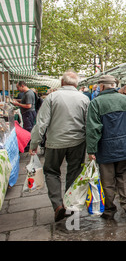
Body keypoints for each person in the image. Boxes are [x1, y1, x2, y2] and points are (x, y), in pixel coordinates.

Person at [29, 71, 90, 222]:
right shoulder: (84, 99)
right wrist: (91, 148)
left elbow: (41, 123)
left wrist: (34, 143)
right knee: (74, 172)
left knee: (51, 171)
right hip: (77, 142)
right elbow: (89, 124)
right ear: (76, 84)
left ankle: (57, 205)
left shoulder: (52, 97)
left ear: (62, 82)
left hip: (55, 142)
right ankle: (69, 204)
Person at [86, 75, 126, 219]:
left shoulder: (96, 103)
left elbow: (93, 129)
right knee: (124, 175)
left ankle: (109, 209)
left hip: (105, 149)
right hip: (124, 146)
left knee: (107, 180)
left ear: (101, 86)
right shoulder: (125, 100)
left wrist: (91, 149)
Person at [12, 81, 37, 151]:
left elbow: (28, 105)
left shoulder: (28, 93)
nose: (17, 89)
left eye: (18, 87)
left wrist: (18, 104)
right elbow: (25, 101)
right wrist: (17, 100)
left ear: (22, 86)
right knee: (28, 129)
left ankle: (29, 147)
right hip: (28, 114)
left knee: (28, 129)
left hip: (28, 114)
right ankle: (29, 146)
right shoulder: (27, 93)